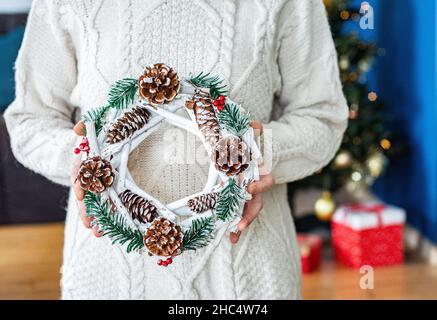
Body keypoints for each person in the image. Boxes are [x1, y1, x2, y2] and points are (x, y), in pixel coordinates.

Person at [4, 0, 348, 299]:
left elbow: (323, 117)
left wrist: (255, 154)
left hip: (246, 280)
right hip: (109, 278)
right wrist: (85, 160)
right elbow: (30, 120)